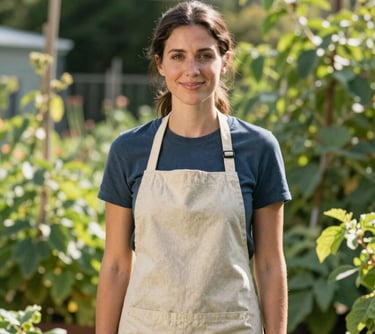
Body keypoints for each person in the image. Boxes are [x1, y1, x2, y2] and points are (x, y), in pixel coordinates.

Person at [96, 1, 291, 333]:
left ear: (225, 61)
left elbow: (271, 265)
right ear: (160, 64)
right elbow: (115, 265)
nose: (192, 70)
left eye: (204, 55)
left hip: (232, 326)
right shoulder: (129, 150)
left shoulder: (258, 148)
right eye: (178, 56)